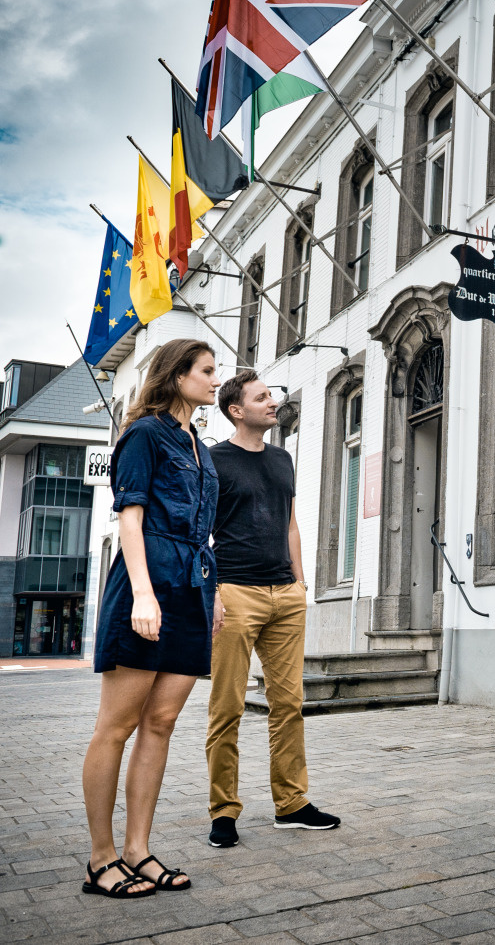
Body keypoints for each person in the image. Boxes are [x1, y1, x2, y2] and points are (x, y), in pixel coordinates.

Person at [81, 339, 221, 898]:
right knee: (116, 726)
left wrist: (217, 594)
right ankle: (101, 858)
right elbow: (130, 519)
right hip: (149, 584)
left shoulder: (198, 443)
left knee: (160, 724)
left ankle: (138, 849)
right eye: (208, 371)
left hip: (193, 589)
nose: (216, 381)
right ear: (177, 374)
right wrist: (143, 593)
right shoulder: (144, 433)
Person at [205, 371, 339, 848]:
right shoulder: (213, 460)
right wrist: (214, 592)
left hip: (284, 595)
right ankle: (224, 811)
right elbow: (200, 532)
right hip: (235, 590)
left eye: (272, 395)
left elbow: (290, 525)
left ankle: (292, 803)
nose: (272, 402)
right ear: (236, 410)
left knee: (290, 706)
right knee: (227, 708)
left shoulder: (283, 459)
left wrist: (300, 582)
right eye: (261, 397)